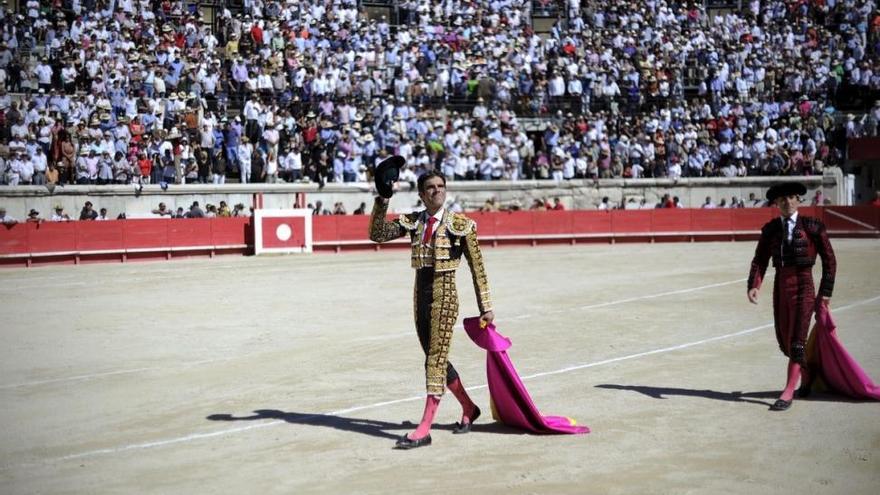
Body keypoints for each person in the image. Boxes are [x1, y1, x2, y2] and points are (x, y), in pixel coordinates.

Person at [369, 171, 494, 450]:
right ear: (421, 194)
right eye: (430, 187)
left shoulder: (462, 225)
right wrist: (383, 198)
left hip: (445, 294)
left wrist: (486, 306)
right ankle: (469, 407)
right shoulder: (414, 222)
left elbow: (478, 269)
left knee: (434, 360)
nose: (437, 191)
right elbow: (377, 234)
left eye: (440, 186)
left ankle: (424, 428)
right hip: (420, 294)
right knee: (433, 356)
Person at [747, 182, 836, 411]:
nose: (787, 202)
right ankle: (807, 377)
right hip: (780, 286)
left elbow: (829, 261)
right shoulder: (771, 230)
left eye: (791, 198)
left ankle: (788, 391)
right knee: (786, 340)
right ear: (776, 203)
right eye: (782, 199)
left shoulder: (813, 226)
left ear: (799, 200)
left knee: (797, 341)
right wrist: (754, 285)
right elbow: (760, 259)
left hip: (804, 285)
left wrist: (825, 293)